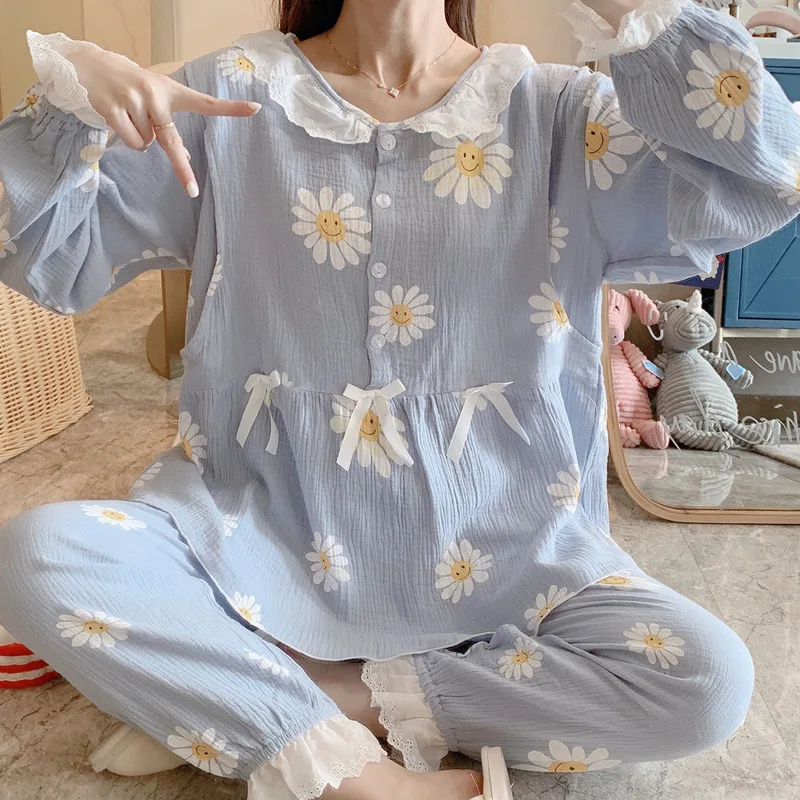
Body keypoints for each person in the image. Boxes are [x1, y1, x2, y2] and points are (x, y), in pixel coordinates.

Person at [0, 0, 795, 797]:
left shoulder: (559, 112)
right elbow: (47, 257)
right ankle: (350, 772)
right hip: (257, 543)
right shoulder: (233, 96)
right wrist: (75, 95)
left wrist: (630, 8)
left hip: (515, 558)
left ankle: (293, 697)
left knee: (706, 682)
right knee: (37, 553)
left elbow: (768, 175)